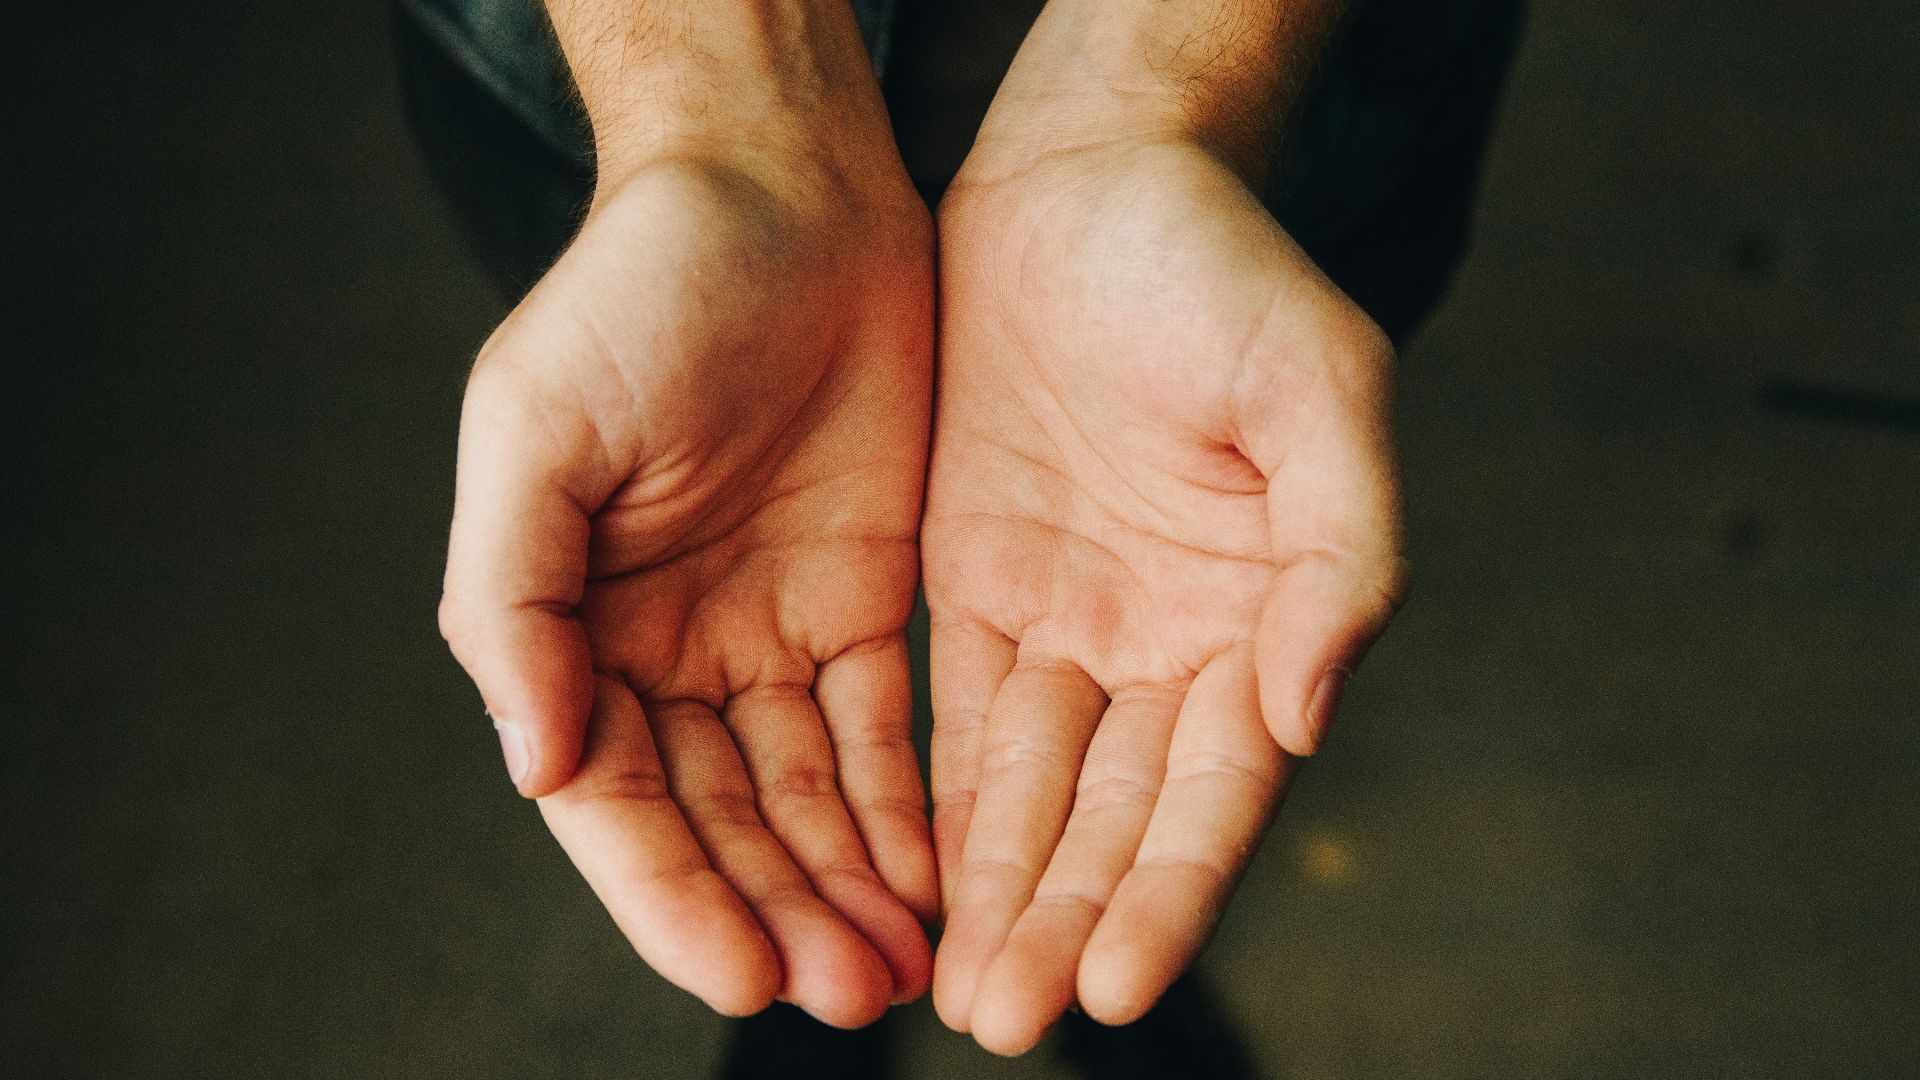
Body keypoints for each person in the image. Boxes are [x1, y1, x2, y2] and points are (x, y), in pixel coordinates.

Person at [408, 0, 1522, 1062]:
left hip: (1280, 86)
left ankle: (1067, 957)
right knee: (765, 723)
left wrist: (1164, 85)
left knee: (1177, 654)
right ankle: (840, 948)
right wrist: (714, 111)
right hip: (621, 83)